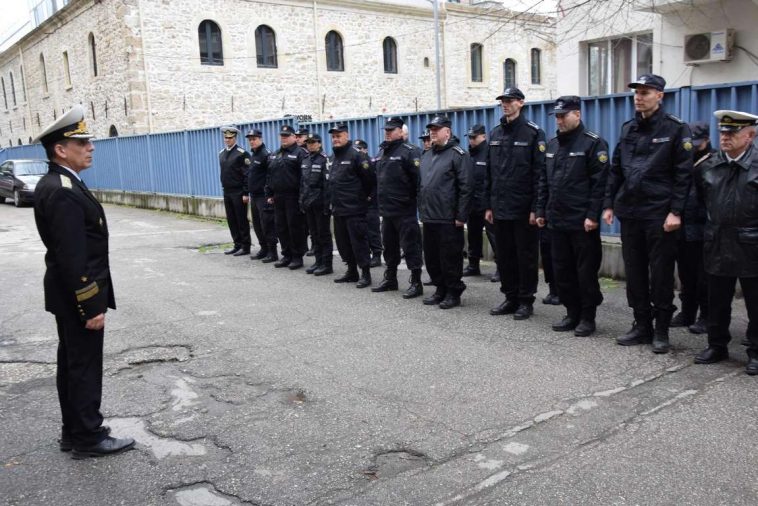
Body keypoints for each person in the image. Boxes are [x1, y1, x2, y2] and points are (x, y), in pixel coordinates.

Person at [32, 105, 135, 459]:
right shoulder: (62, 189)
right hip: (77, 296)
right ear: (61, 150)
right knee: (84, 367)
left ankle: (74, 431)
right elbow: (73, 256)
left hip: (67, 295)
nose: (90, 147)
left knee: (73, 364)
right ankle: (88, 437)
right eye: (82, 143)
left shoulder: (61, 182)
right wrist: (91, 305)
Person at [603, 74, 693, 354]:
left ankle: (661, 330)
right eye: (637, 93)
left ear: (660, 96)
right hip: (630, 211)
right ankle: (642, 325)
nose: (639, 97)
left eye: (645, 92)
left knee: (661, 273)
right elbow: (616, 169)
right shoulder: (628, 128)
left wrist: (676, 211)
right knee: (635, 272)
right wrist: (609, 204)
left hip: (659, 213)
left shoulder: (675, 128)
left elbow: (683, 174)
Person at [536, 96, 609, 337]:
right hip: (557, 220)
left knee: (585, 273)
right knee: (562, 271)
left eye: (563, 116)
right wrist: (541, 210)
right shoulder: (552, 145)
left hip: (582, 222)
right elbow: (544, 181)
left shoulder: (593, 143)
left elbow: (600, 184)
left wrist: (592, 216)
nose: (559, 121)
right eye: (556, 116)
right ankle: (571, 313)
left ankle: (587, 317)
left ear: (577, 114)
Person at [693, 110, 758, 375]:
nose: (725, 137)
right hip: (718, 241)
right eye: (722, 132)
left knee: (756, 303)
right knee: (717, 300)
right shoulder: (708, 165)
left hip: (751, 245)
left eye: (732, 133)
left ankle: (756, 352)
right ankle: (717, 345)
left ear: (750, 136)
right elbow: (702, 201)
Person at [485, 87, 546, 320]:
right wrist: (489, 205)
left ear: (521, 103)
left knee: (526, 257)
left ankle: (525, 300)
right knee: (505, 256)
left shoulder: (533, 133)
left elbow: (539, 174)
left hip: (523, 209)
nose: (505, 104)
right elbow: (490, 172)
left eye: (510, 101)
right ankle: (510, 297)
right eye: (503, 101)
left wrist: (535, 209)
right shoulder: (495, 133)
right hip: (500, 207)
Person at [419, 115, 473, 309]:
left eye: (437, 129)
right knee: (432, 257)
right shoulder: (426, 155)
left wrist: (461, 215)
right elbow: (422, 186)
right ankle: (440, 289)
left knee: (450, 258)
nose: (433, 132)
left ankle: (453, 292)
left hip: (448, 217)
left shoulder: (458, 155)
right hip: (430, 216)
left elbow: (466, 187)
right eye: (431, 129)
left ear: (447, 132)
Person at [371, 117, 424, 299]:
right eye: (386, 130)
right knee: (389, 247)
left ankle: (416, 282)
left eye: (391, 130)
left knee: (411, 247)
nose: (388, 132)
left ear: (401, 132)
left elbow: (419, 181)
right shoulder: (382, 151)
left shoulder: (410, 151)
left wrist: (417, 205)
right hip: (386, 211)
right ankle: (391, 279)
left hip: (404, 210)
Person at [671, 121, 712, 334]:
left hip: (704, 229)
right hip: (684, 228)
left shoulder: (713, 162)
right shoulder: (683, 159)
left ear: (707, 140)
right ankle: (687, 312)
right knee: (686, 274)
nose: (694, 148)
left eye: (698, 143)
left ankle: (707, 316)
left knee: (704, 277)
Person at [328, 123, 375, 288]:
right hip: (338, 208)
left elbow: (370, 180)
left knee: (359, 242)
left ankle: (366, 274)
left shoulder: (357, 155)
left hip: (354, 209)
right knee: (343, 243)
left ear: (346, 135)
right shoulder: (333, 157)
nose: (335, 139)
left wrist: (362, 198)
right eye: (333, 136)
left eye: (338, 135)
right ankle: (352, 271)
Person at [267, 125, 308, 269]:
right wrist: (269, 193)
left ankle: (297, 256)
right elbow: (270, 175)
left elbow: (305, 178)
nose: (283, 138)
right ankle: (286, 255)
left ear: (294, 137)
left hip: (293, 196)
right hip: (278, 196)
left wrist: (302, 197)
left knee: (294, 227)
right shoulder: (276, 154)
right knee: (281, 227)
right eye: (282, 136)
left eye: (286, 136)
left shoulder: (300, 153)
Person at [463, 124, 497, 278]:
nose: (471, 140)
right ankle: (473, 265)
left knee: (494, 237)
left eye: (474, 137)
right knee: (473, 236)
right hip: (472, 203)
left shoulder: (489, 153)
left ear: (483, 136)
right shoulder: (469, 155)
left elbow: (493, 179)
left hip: (486, 204)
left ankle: (502, 268)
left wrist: (490, 203)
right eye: (469, 137)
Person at [300, 133, 333, 275]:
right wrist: (301, 200)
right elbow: (303, 183)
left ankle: (327, 264)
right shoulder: (305, 159)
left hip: (320, 203)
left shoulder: (324, 159)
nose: (310, 145)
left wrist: (327, 205)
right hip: (308, 203)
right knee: (314, 235)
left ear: (319, 143)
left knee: (323, 234)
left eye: (313, 142)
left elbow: (328, 184)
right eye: (308, 142)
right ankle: (318, 261)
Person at [218, 126, 252, 256]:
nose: (227, 140)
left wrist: (245, 192)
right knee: (231, 219)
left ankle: (245, 246)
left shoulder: (242, 153)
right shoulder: (221, 153)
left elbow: (247, 174)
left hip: (238, 192)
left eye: (230, 138)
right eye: (226, 138)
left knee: (241, 219)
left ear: (235, 138)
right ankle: (237, 244)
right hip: (227, 191)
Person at [245, 129, 277, 262]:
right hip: (254, 195)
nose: (252, 142)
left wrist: (270, 194)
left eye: (254, 139)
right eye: (250, 140)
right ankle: (264, 249)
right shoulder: (254, 154)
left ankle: (272, 252)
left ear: (260, 139)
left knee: (267, 225)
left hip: (263, 196)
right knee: (257, 224)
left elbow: (271, 175)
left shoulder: (265, 154)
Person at [354, 139, 383, 267]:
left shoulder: (371, 162)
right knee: (360, 231)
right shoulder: (355, 162)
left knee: (372, 230)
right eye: (356, 149)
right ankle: (365, 254)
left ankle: (376, 254)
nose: (358, 151)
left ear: (365, 150)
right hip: (358, 202)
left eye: (360, 149)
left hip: (370, 202)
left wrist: (370, 197)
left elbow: (376, 183)